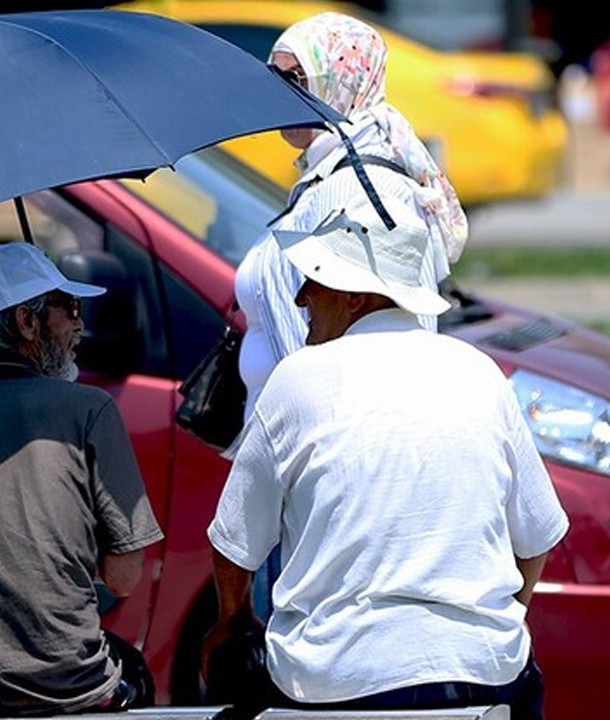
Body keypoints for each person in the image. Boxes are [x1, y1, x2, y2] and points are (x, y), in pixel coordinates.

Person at [201, 185, 569, 720]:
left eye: (314, 279)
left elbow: (235, 547)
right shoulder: (479, 373)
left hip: (335, 682)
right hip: (485, 678)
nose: (300, 297)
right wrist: (483, 629)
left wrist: (232, 625)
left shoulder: (298, 380)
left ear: (355, 297)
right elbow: (536, 538)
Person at [233, 10, 470, 619]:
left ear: (342, 83)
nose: (277, 92)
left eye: (295, 78)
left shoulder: (355, 188)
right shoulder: (326, 173)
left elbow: (343, 337)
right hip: (298, 465)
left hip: (318, 479)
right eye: (272, 75)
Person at [0, 241, 166, 720]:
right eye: (70, 308)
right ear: (27, 321)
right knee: (134, 675)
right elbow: (125, 579)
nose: (80, 324)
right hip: (64, 686)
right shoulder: (89, 409)